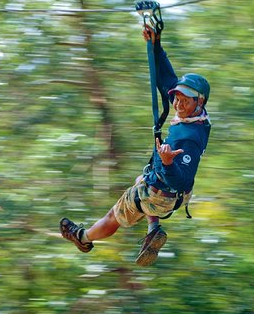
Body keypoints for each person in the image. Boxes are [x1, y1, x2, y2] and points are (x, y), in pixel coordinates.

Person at [59, 21, 211, 266]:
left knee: (115, 215)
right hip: (169, 193)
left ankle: (83, 238)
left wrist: (168, 163)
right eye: (178, 98)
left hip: (165, 194)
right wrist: (155, 45)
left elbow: (182, 179)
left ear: (200, 102)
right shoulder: (200, 119)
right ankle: (153, 229)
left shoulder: (189, 138)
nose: (179, 104)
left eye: (187, 100)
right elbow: (167, 81)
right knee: (141, 180)